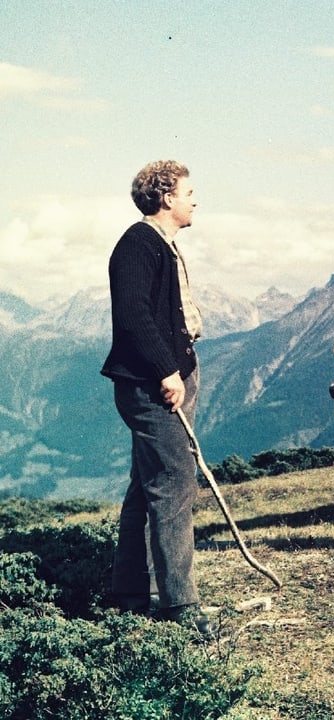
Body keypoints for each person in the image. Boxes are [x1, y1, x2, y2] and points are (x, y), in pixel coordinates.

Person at [101, 160, 213, 639]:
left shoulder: (159, 246)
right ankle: (179, 606)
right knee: (173, 485)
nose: (194, 199)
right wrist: (167, 370)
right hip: (153, 386)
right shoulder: (138, 245)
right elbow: (132, 316)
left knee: (145, 486)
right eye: (189, 191)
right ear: (166, 197)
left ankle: (129, 593)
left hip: (166, 379)